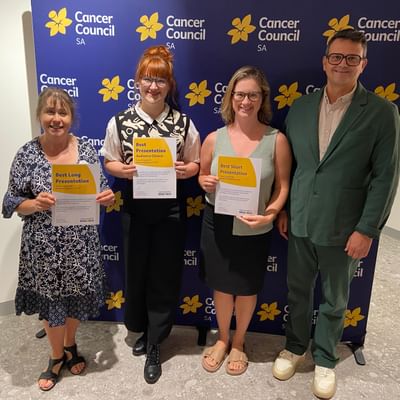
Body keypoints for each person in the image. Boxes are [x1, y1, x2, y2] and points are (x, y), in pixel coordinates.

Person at [272, 29, 399, 399]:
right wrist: (285, 210)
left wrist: (368, 229)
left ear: (364, 64)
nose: (343, 64)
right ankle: (295, 348)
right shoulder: (301, 107)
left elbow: (385, 178)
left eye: (352, 58)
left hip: (345, 228)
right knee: (297, 292)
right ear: (325, 61)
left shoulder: (381, 113)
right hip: (299, 221)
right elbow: (292, 167)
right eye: (337, 57)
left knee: (334, 299)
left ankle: (325, 358)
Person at [2, 87, 115, 391]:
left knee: (76, 299)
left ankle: (70, 344)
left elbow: (104, 193)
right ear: (40, 115)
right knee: (52, 304)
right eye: (50, 112)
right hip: (43, 246)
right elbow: (10, 202)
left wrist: (107, 198)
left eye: (62, 112)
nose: (56, 119)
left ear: (71, 117)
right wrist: (35, 203)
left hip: (81, 243)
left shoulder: (87, 150)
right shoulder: (27, 153)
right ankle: (55, 358)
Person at [101, 45, 201, 384]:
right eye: (147, 79)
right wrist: (125, 172)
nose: (153, 87)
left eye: (159, 80)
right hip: (134, 208)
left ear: (169, 84)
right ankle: (139, 328)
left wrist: (185, 170)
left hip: (170, 210)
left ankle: (157, 340)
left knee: (164, 272)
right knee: (136, 270)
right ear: (137, 82)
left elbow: (196, 164)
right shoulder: (121, 121)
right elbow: (109, 160)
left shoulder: (182, 122)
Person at [198, 66, 292, 375]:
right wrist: (205, 182)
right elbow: (202, 176)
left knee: (247, 286)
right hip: (218, 222)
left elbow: (283, 187)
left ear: (262, 98)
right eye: (240, 94)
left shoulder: (276, 140)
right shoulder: (214, 138)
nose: (246, 101)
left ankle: (239, 342)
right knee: (223, 286)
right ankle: (222, 339)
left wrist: (271, 212)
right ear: (231, 97)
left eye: (253, 94)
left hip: (256, 223)